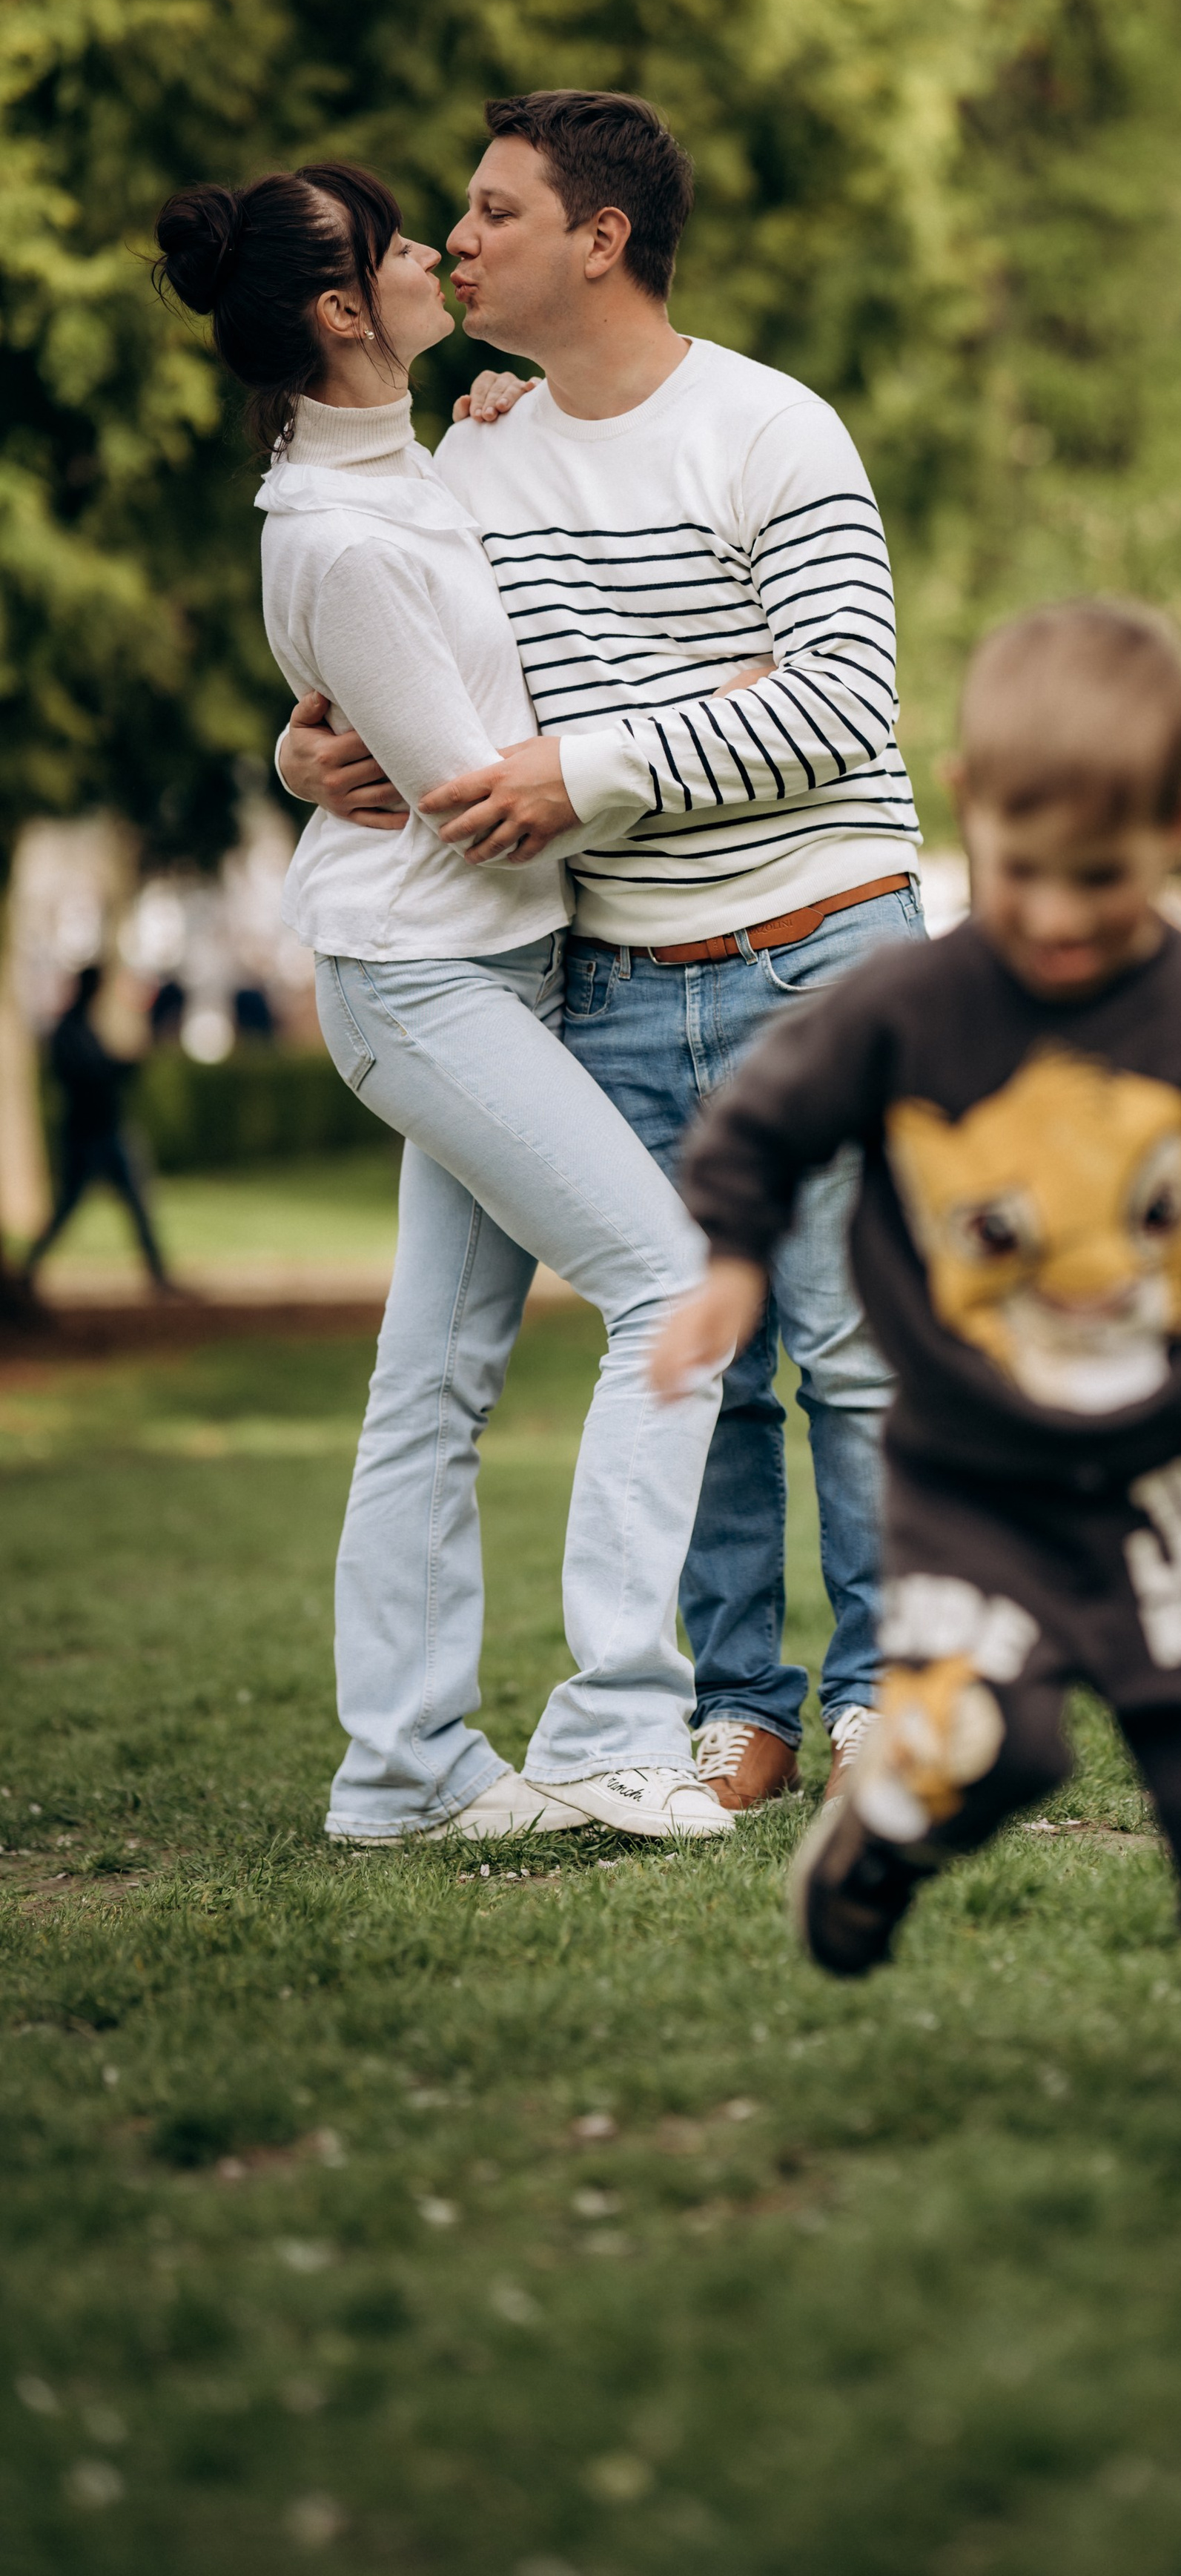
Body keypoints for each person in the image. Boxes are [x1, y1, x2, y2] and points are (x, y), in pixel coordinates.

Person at [652, 601, 1181, 2090]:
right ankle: (888, 1829)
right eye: (1021, 873)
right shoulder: (909, 1011)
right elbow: (763, 1120)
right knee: (992, 1743)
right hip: (977, 1482)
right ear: (967, 804)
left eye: (1101, 879)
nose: (1052, 916)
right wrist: (724, 1254)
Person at [279, 90, 924, 1814]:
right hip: (614, 968)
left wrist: (597, 761)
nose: (458, 240)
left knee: (852, 1343)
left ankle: (874, 1693)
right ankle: (737, 1707)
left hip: (817, 940)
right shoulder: (471, 452)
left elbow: (843, 700)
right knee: (691, 1360)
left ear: (600, 239)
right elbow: (416, 671)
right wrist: (305, 750)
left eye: (491, 211)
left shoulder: (774, 428)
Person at [154, 161, 730, 1846]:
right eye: (402, 245)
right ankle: (620, 1729)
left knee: (436, 1383)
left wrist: (489, 424)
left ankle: (400, 1770)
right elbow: (472, 794)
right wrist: (715, 720)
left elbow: (415, 703)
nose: (434, 257)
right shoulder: (336, 534)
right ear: (340, 309)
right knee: (670, 1289)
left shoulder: (404, 471)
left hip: (486, 968)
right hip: (421, 978)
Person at [25, 968, 172, 1295]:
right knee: (69, 1208)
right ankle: (27, 1270)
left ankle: (159, 1276)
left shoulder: (83, 1028)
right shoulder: (68, 1032)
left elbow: (104, 1070)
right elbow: (91, 1075)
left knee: (138, 1204)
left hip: (108, 1130)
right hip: (86, 1136)